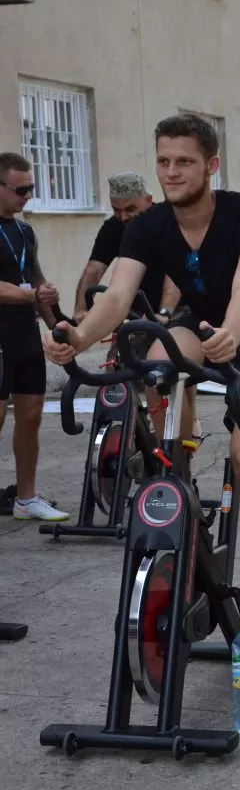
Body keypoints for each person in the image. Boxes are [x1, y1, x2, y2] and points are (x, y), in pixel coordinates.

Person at [45, 114, 240, 659]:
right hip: (199, 329)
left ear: (210, 165)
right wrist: (79, 336)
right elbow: (115, 299)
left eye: (184, 161)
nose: (171, 172)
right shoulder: (148, 224)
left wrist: (232, 333)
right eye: (163, 161)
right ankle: (174, 478)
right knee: (156, 358)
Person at [0, 152, 68, 522]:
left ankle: (25, 498)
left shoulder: (24, 231)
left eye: (32, 189)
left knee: (30, 417)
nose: (28, 196)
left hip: (24, 334)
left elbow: (37, 280)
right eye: (20, 189)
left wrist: (56, 323)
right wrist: (30, 294)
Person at [73, 171, 178, 322]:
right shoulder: (113, 227)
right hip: (137, 311)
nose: (123, 217)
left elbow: (174, 271)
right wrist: (81, 310)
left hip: (176, 308)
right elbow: (94, 270)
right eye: (116, 210)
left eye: (130, 209)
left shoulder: (167, 221)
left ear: (148, 200)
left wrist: (164, 312)